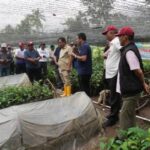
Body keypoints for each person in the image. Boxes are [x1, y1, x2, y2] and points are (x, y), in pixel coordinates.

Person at [116, 26, 150, 131]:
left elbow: (138, 71)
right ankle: (132, 136)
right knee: (130, 115)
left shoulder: (129, 51)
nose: (118, 38)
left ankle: (123, 140)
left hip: (131, 91)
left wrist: (143, 84)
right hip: (130, 89)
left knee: (124, 115)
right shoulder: (128, 50)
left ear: (125, 37)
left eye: (120, 36)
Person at [102, 25, 122, 127]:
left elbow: (124, 51)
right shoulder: (112, 43)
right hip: (110, 73)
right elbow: (107, 54)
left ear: (113, 32)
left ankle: (113, 118)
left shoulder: (117, 41)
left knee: (114, 96)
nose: (105, 35)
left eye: (107, 33)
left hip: (114, 73)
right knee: (113, 95)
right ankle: (113, 114)